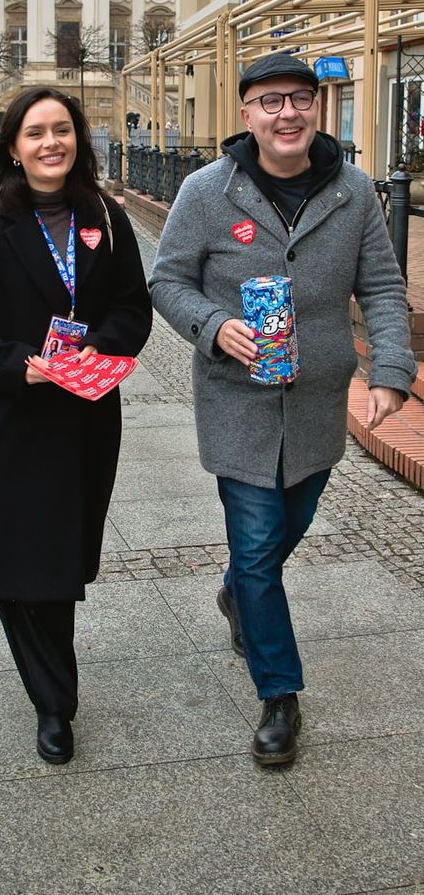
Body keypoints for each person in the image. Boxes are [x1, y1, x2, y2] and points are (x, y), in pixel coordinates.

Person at [148, 52, 415, 767]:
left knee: (277, 537)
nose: (286, 113)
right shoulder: (207, 191)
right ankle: (278, 694)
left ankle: (237, 593)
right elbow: (167, 281)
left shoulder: (352, 191)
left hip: (317, 401)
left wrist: (391, 368)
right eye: (269, 102)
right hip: (237, 400)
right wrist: (212, 325)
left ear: (317, 108)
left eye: (298, 98)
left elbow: (383, 290)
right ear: (246, 116)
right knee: (259, 545)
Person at [0, 87, 152, 764]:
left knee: (64, 554)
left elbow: (131, 308)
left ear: (79, 141)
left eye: (62, 130)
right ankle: (53, 704)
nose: (50, 143)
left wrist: (103, 346)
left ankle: (52, 686)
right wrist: (12, 362)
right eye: (35, 133)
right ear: (12, 147)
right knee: (17, 557)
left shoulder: (105, 218)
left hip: (84, 415)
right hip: (11, 416)